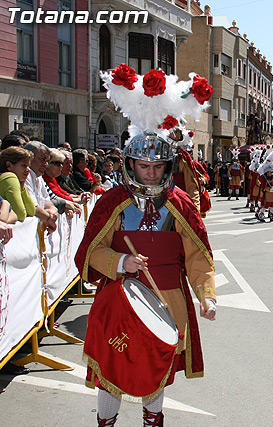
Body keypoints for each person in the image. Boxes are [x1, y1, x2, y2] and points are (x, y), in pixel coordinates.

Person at [75, 65, 216, 426]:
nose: (150, 174)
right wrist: (121, 263)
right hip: (120, 298)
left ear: (167, 166)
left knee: (157, 370)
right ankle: (106, 423)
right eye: (143, 166)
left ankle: (153, 421)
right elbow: (90, 251)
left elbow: (198, 253)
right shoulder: (112, 201)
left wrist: (206, 294)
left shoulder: (181, 202)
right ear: (130, 164)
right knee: (112, 369)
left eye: (157, 167)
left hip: (168, 297)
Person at [0, 147, 35, 221]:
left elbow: (32, 211)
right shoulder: (9, 177)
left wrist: (22, 188)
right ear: (9, 165)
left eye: (28, 166)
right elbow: (20, 214)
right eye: (24, 166)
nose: (28, 170)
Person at [256, 150, 273, 222]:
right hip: (268, 194)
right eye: (269, 172)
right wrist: (268, 190)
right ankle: (261, 215)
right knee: (266, 204)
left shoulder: (272, 177)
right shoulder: (264, 179)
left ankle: (272, 217)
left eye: (271, 172)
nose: (270, 174)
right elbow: (263, 187)